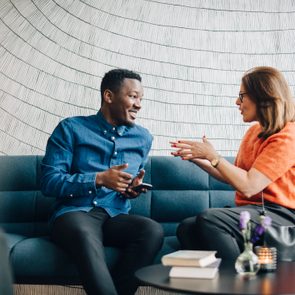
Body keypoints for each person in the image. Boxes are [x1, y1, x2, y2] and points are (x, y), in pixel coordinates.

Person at [41, 68, 164, 295]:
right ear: (109, 96)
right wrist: (98, 179)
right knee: (84, 233)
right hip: (74, 213)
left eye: (141, 99)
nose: (138, 104)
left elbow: (123, 185)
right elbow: (49, 182)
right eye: (133, 96)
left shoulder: (143, 138)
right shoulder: (71, 129)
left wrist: (130, 189)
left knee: (152, 230)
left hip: (115, 216)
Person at [171, 66, 295, 260]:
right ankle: (218, 281)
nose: (237, 102)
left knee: (210, 219)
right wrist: (199, 159)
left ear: (263, 97)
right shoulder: (253, 133)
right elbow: (235, 177)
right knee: (188, 228)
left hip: (282, 218)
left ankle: (240, 282)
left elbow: (248, 186)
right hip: (252, 214)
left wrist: (214, 157)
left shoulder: (288, 137)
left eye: (242, 96)